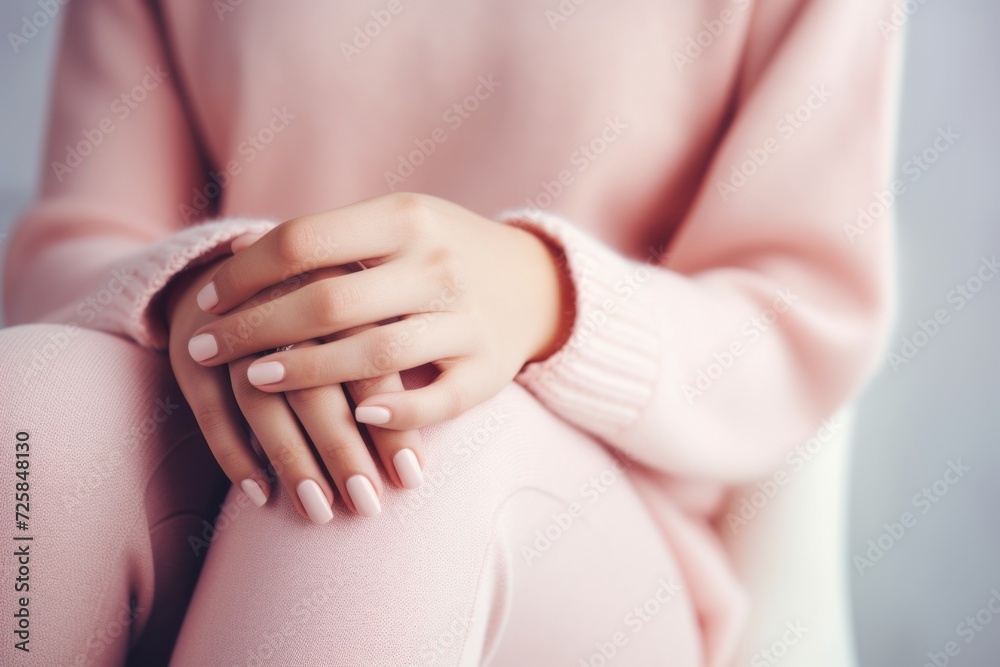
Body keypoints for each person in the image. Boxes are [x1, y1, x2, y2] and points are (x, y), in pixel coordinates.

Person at [0, 0, 900, 664]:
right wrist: (218, 293)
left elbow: (800, 310)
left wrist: (549, 295)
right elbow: (74, 245)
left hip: (600, 533)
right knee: (28, 415)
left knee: (390, 469)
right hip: (232, 420)